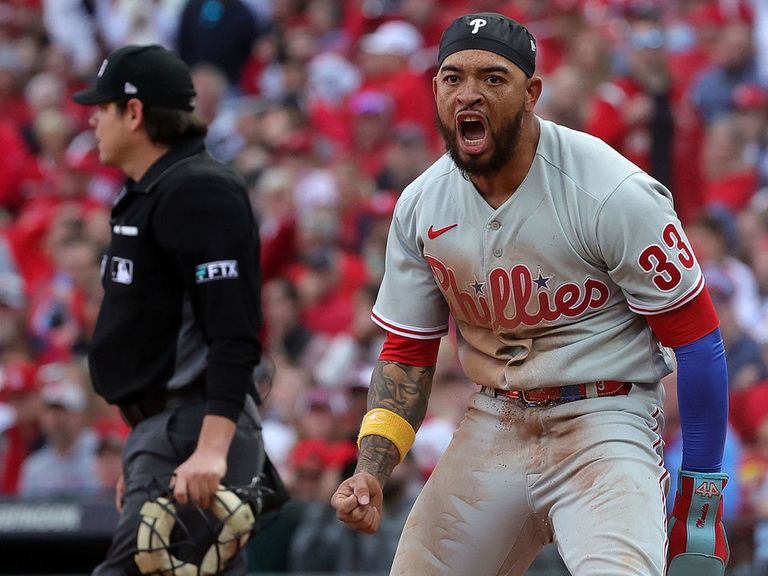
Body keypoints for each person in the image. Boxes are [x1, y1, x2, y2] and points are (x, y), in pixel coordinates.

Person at [331, 12, 730, 576]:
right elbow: (407, 354)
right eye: (452, 78)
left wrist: (703, 493)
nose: (469, 93)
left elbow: (698, 341)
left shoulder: (610, 190)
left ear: (530, 94)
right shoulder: (422, 205)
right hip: (495, 418)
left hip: (605, 417)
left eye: (493, 78)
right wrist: (371, 468)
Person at [72, 44, 269, 575]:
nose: (92, 117)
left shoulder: (199, 189)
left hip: (193, 429)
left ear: (134, 114)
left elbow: (234, 333)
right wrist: (144, 453)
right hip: (166, 434)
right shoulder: (155, 189)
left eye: (103, 106)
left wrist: (210, 447)